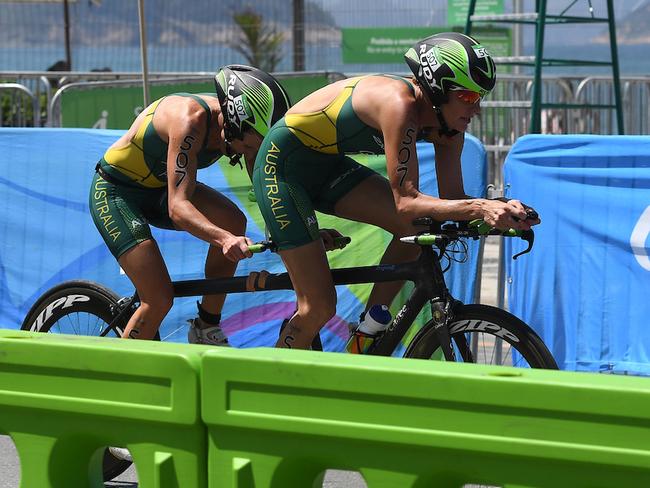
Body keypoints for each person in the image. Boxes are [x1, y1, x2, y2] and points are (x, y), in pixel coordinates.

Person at [252, 32, 541, 350]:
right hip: (282, 168)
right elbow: (407, 201)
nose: (477, 109)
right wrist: (481, 208)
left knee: (415, 227)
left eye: (480, 98)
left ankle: (366, 331)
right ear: (437, 87)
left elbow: (453, 201)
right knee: (318, 306)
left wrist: (500, 207)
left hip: (327, 167)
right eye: (469, 97)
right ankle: (272, 382)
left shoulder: (449, 127)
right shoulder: (398, 104)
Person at [89, 64, 291, 344]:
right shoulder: (189, 121)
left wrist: (290, 230)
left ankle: (206, 327)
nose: (249, 155)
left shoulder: (244, 132)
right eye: (247, 147)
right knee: (158, 299)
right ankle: (120, 375)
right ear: (231, 125)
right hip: (117, 193)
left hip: (158, 188)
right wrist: (224, 240)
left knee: (233, 220)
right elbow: (178, 208)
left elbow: (266, 187)